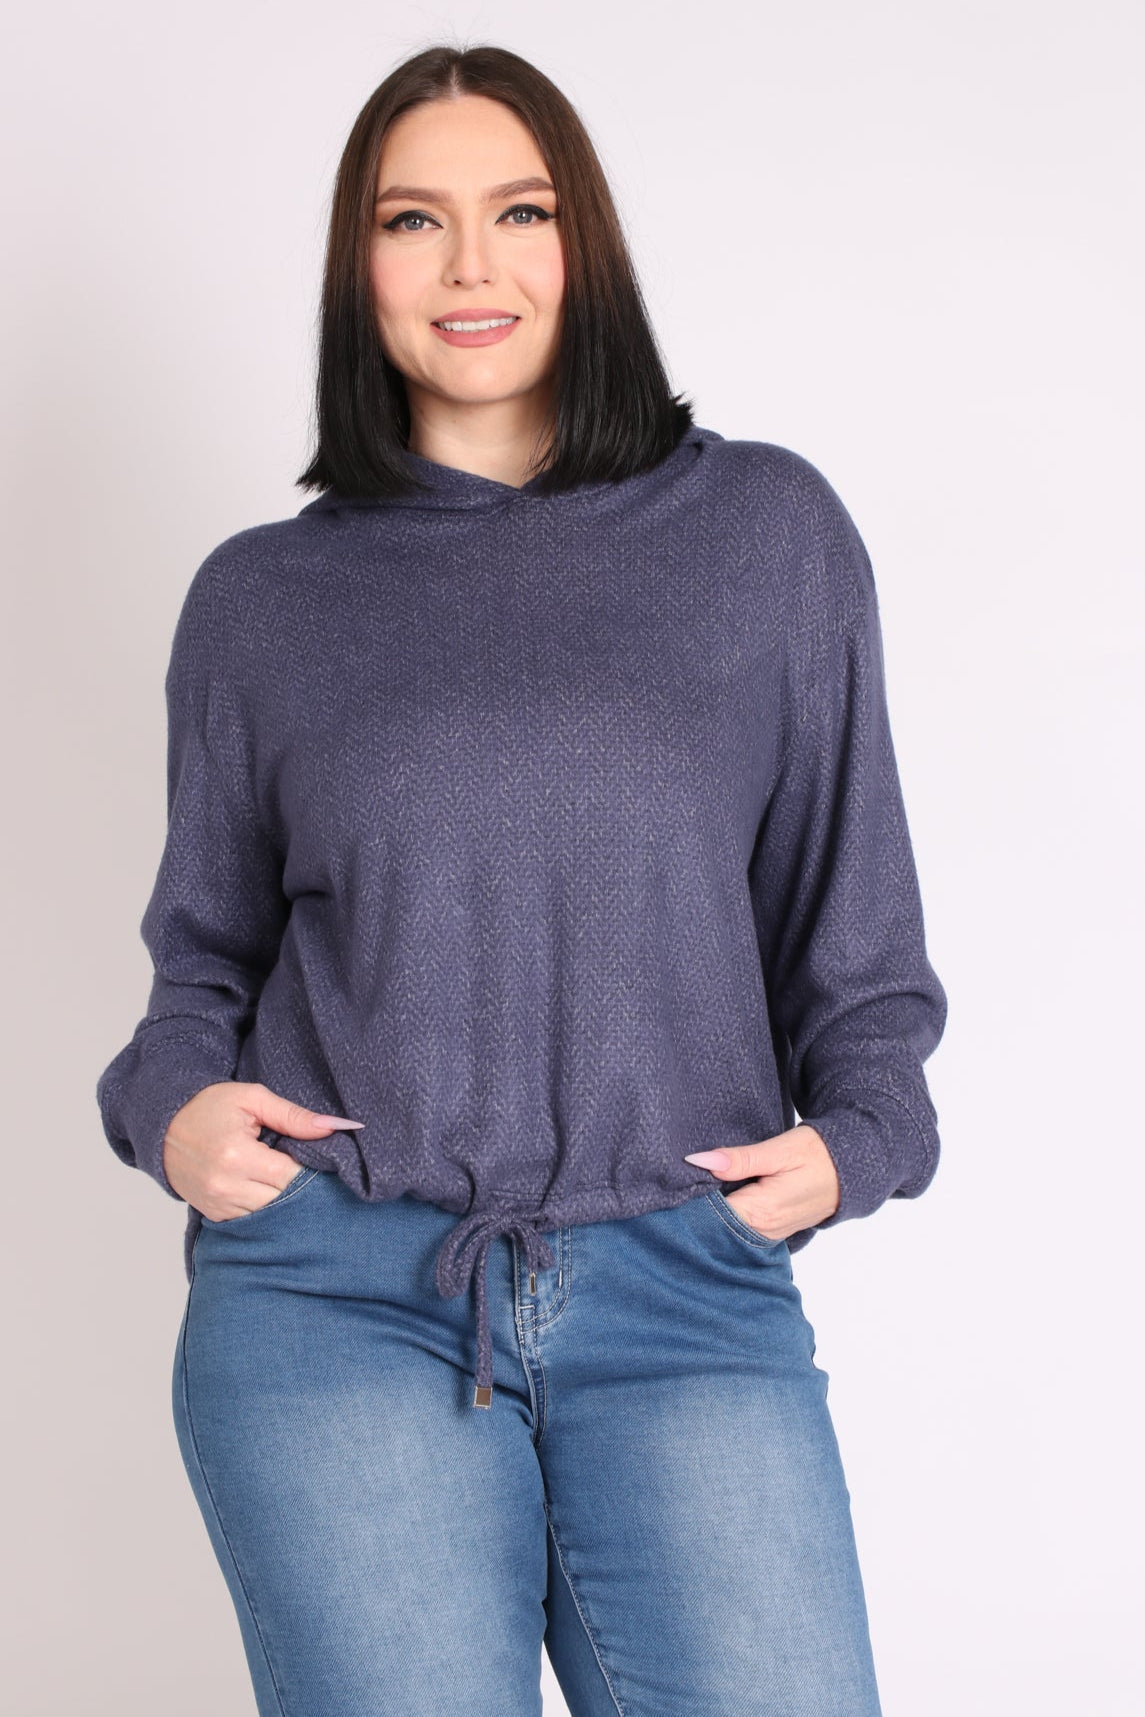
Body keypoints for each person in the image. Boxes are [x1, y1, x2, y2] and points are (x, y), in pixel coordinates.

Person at [95, 40, 947, 1717]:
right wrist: (172, 1112)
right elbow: (199, 965)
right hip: (338, 1295)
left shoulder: (763, 535)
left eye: (521, 212)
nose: (469, 265)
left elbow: (851, 926)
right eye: (412, 220)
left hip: (685, 1290)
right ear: (359, 266)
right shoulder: (261, 602)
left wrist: (862, 1139)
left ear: (585, 244)